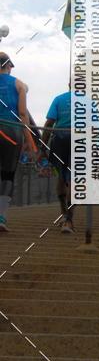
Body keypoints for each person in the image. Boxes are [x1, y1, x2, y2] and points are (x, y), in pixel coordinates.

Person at [0, 53, 36, 232]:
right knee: (7, 175)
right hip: (11, 131)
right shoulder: (19, 84)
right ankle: (1, 217)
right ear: (9, 66)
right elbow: (23, 114)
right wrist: (29, 140)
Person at [42, 80, 75, 234]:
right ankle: (68, 220)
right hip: (79, 141)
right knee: (75, 180)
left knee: (62, 178)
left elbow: (49, 123)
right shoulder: (89, 102)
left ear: (69, 84)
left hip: (60, 140)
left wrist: (43, 147)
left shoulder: (58, 99)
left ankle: (63, 214)